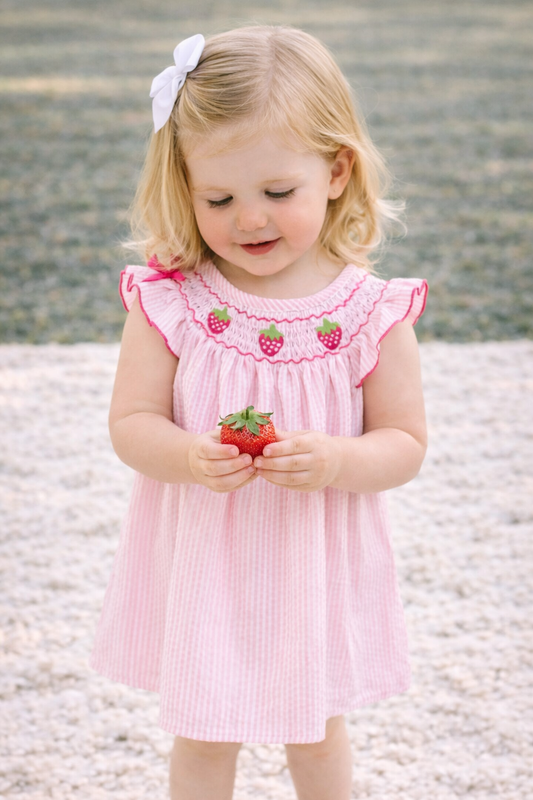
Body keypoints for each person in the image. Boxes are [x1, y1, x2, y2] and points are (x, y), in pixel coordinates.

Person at [89, 25, 428, 800]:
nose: (249, 219)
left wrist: (339, 460)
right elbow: (130, 423)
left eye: (277, 192)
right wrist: (187, 456)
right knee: (205, 734)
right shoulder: (173, 300)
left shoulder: (369, 312)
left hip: (312, 565)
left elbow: (405, 443)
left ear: (336, 171)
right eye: (219, 198)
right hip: (208, 561)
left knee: (314, 735)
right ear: (185, 185)